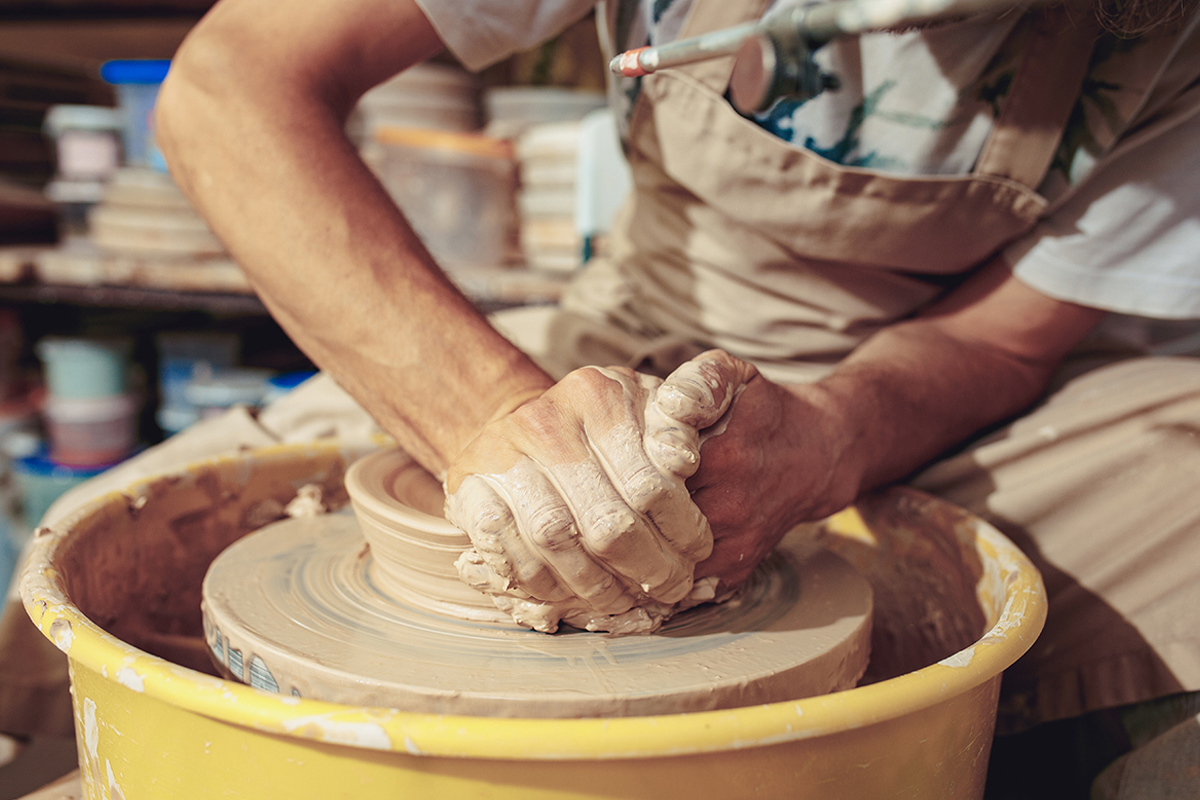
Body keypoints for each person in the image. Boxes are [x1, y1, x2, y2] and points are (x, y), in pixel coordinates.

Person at [6, 0, 1198, 794]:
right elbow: (227, 88)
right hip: (608, 337)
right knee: (85, 576)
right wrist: (488, 418)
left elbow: (1000, 343)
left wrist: (834, 439)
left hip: (914, 396)